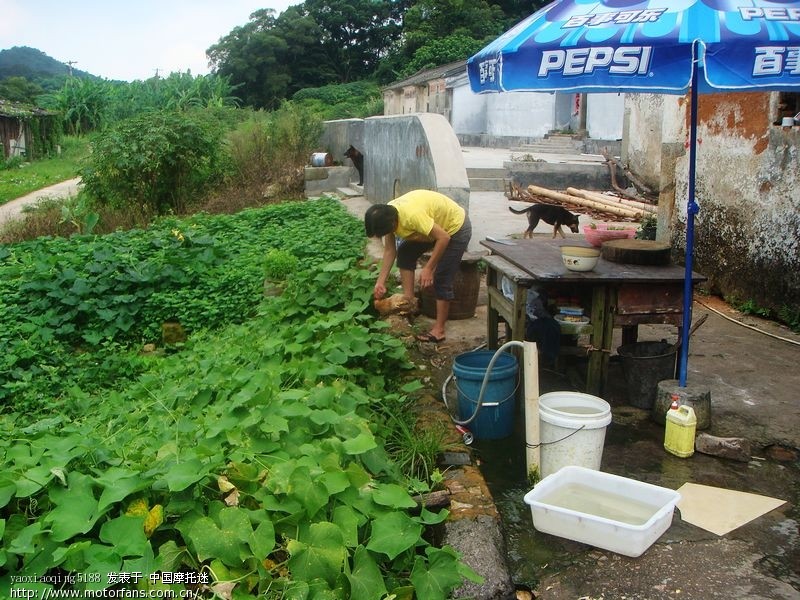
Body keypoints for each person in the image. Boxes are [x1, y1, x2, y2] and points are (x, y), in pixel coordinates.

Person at [364, 189, 472, 343]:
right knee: (405, 252)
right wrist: (380, 281)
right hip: (434, 227)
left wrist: (428, 268)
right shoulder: (387, 213)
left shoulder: (412, 217)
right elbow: (390, 251)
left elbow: (444, 237)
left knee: (441, 277)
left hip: (455, 228)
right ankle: (409, 301)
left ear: (393, 224)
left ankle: (439, 330)